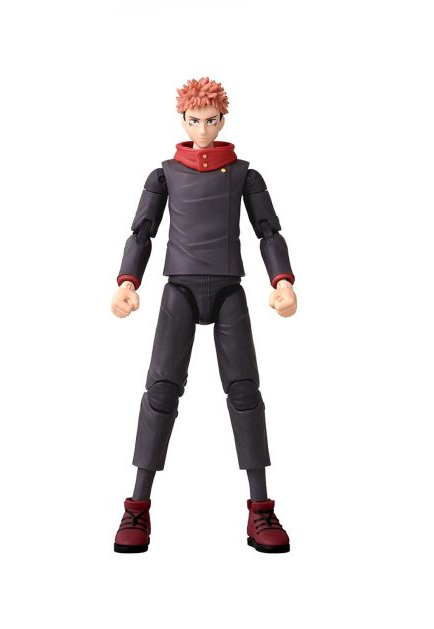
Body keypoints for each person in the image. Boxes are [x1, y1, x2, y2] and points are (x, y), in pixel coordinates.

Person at [111, 77, 297, 553]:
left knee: (245, 392)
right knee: (160, 391)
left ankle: (260, 508)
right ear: (183, 120)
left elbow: (268, 232)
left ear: (222, 120)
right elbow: (142, 233)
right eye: (194, 121)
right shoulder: (165, 175)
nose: (202, 130)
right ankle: (137, 505)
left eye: (210, 121)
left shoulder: (244, 175)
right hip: (179, 289)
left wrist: (282, 281)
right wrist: (128, 282)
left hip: (229, 289)